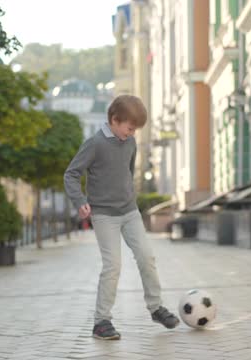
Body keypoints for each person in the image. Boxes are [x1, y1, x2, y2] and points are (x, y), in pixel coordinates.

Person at [64, 95, 180, 340]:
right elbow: (71, 174)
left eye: (135, 129)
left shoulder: (130, 143)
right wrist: (80, 201)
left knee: (147, 256)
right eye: (129, 127)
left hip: (129, 212)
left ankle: (156, 308)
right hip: (104, 215)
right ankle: (101, 322)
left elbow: (127, 173)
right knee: (113, 266)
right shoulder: (94, 144)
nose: (132, 133)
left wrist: (130, 196)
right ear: (114, 120)